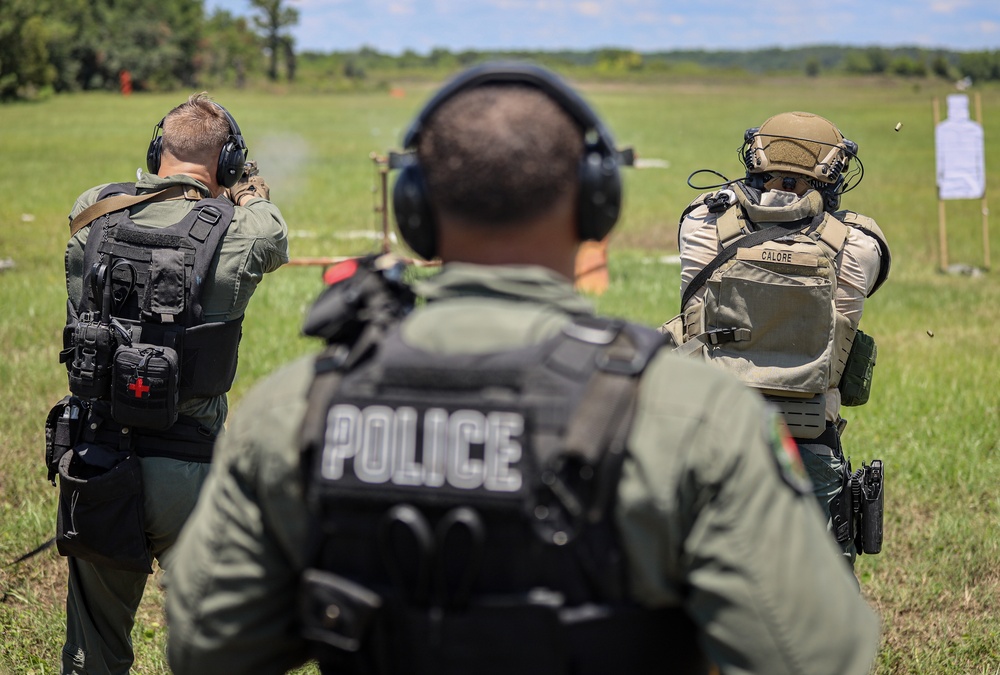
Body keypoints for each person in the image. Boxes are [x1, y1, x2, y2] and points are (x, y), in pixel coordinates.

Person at [165, 64, 879, 674]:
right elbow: (822, 652)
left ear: (414, 209)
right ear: (598, 205)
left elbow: (204, 642)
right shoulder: (692, 414)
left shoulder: (298, 407)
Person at [51, 92, 288, 674]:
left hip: (97, 458)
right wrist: (246, 189)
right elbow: (272, 233)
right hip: (193, 472)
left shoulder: (94, 213)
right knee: (217, 648)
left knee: (93, 652)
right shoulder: (243, 229)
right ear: (228, 164)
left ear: (158, 150)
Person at [664, 111, 891, 564]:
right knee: (822, 588)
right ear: (832, 173)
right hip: (808, 436)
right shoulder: (860, 242)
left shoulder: (700, 224)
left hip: (710, 430)